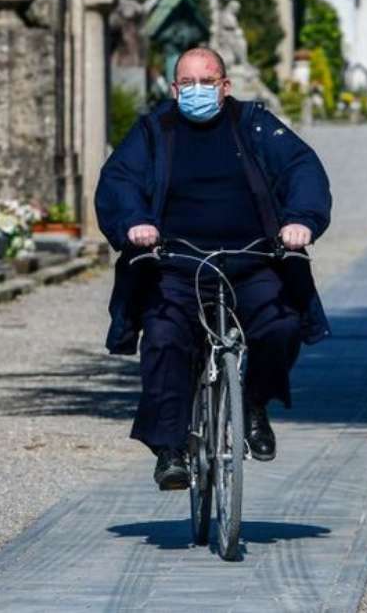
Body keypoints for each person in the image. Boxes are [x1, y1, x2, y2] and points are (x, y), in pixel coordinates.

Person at [95, 47, 332, 490]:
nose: (197, 91)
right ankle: (170, 449)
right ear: (174, 89)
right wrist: (135, 223)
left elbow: (302, 167)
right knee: (164, 337)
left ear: (225, 86)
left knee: (281, 325)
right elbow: (119, 180)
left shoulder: (254, 124)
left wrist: (300, 220)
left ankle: (254, 405)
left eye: (207, 82)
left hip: (251, 260)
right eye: (188, 83)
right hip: (175, 264)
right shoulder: (154, 131)